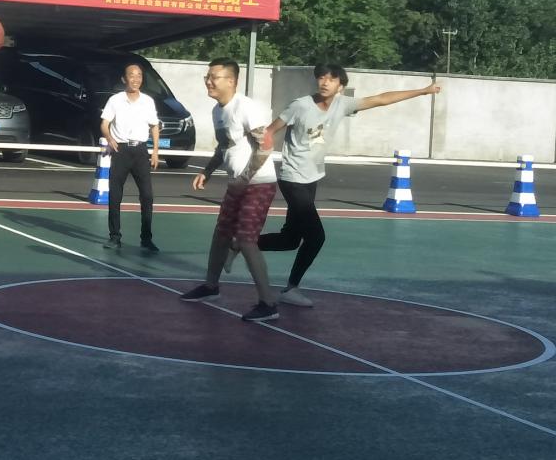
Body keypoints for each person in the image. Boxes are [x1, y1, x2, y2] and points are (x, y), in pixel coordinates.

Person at [255, 64, 441, 307]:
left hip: (311, 179)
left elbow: (381, 99)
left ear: (340, 86)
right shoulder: (300, 105)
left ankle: (241, 244)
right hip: (292, 179)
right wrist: (257, 155)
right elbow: (269, 131)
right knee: (316, 237)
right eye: (321, 77)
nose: (325, 82)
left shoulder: (342, 105)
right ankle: (291, 289)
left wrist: (423, 91)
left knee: (290, 240)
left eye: (331, 79)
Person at [180, 58, 280, 322]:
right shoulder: (218, 111)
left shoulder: (246, 107)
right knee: (221, 234)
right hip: (238, 183)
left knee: (246, 240)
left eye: (214, 77)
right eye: (207, 76)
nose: (208, 81)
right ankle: (210, 286)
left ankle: (268, 304)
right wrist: (207, 170)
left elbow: (266, 146)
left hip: (258, 183)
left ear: (231, 81)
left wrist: (244, 178)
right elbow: (223, 146)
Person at [100, 63, 161, 252]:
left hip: (141, 151)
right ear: (124, 79)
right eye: (132, 75)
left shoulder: (148, 101)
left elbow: (154, 126)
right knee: (115, 195)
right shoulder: (115, 100)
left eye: (139, 75)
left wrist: (155, 151)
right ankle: (114, 236)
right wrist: (110, 138)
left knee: (147, 195)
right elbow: (104, 124)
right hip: (121, 151)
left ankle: (146, 238)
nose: (136, 79)